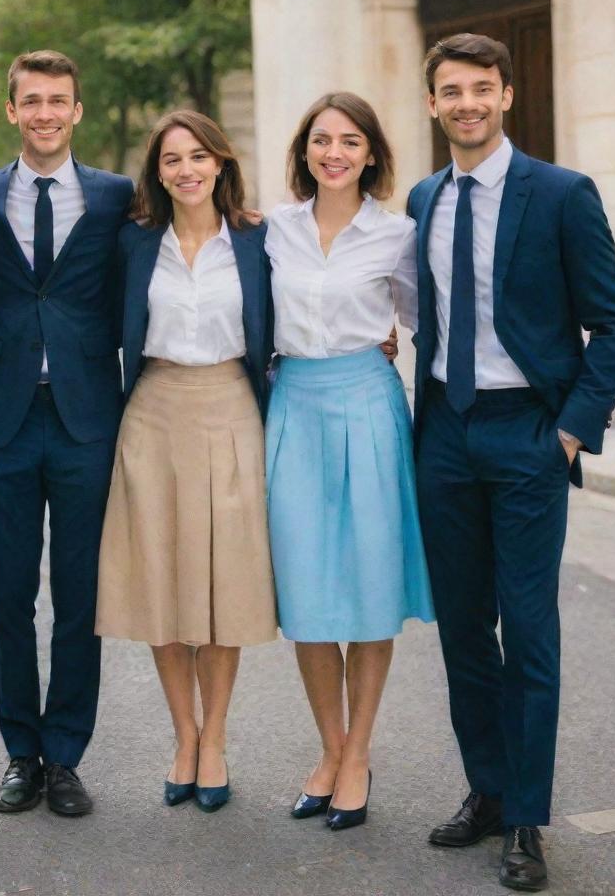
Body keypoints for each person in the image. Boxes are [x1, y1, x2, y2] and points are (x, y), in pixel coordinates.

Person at [409, 34, 615, 892]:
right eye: (450, 90)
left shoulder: (564, 193)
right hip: (444, 436)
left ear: (505, 96)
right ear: (432, 103)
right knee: (464, 630)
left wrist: (569, 433)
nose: (466, 102)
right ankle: (489, 792)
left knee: (529, 633)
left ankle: (528, 821)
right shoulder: (424, 198)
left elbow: (613, 323)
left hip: (528, 434)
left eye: (481, 88)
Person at [0, 51, 134, 816]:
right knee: (7, 595)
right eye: (31, 101)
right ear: (12, 111)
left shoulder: (115, 197)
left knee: (78, 594)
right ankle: (19, 753)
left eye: (57, 100)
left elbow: (161, 260)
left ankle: (64, 755)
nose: (44, 113)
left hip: (86, 417)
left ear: (78, 110)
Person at [95, 110, 278, 812]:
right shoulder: (135, 244)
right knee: (164, 583)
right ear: (158, 173)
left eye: (200, 156)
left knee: (224, 584)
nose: (187, 170)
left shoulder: (259, 241)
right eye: (173, 160)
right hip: (154, 409)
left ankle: (218, 739)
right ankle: (183, 737)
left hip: (232, 405)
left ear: (222, 163)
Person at [264, 93, 435, 830]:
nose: (335, 152)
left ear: (371, 155)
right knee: (305, 594)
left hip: (368, 402)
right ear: (305, 151)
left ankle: (358, 754)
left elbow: (427, 321)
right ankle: (328, 750)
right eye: (322, 140)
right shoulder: (271, 229)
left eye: (351, 141)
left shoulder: (398, 235)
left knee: (366, 589)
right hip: (294, 404)